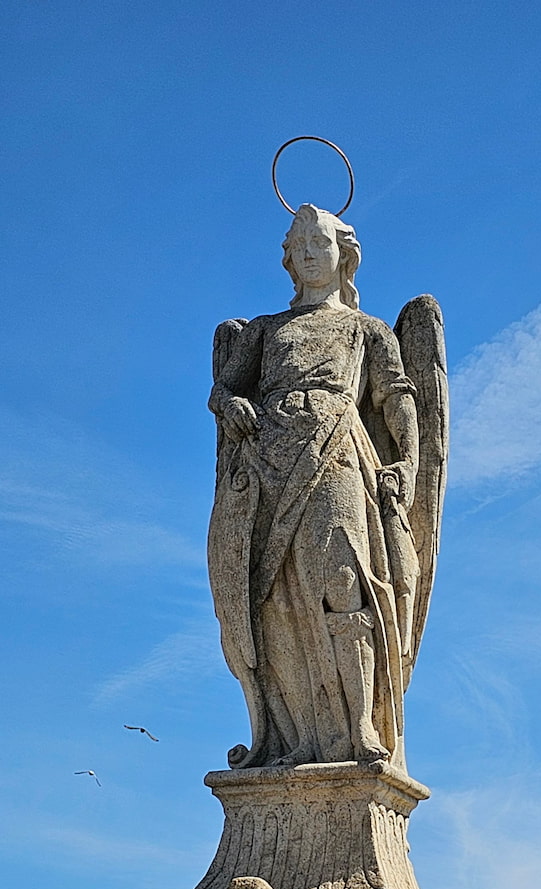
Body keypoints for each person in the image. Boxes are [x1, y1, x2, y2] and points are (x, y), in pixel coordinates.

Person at [207, 204, 420, 771]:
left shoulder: (365, 330)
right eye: (298, 243)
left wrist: (408, 462)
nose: (308, 253)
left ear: (342, 253)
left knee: (345, 583)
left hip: (337, 453)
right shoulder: (264, 330)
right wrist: (232, 406)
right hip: (267, 460)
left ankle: (358, 727)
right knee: (273, 597)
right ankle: (290, 736)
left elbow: (397, 397)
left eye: (319, 242)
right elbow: (222, 389)